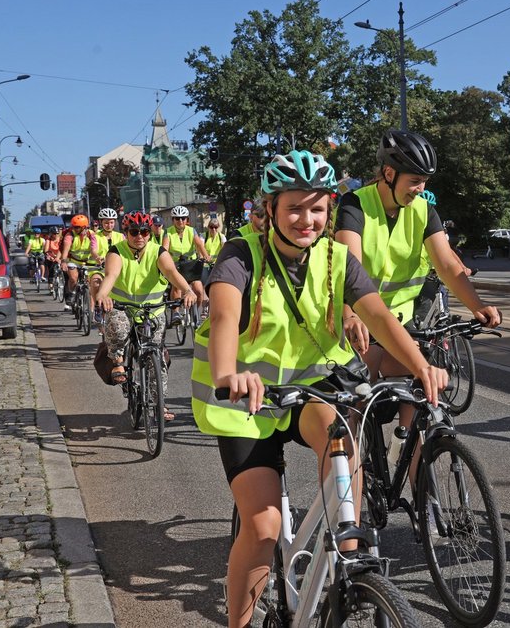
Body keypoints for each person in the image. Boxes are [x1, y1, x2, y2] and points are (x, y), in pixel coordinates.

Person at [190, 150, 448, 628]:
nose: (306, 219)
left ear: (330, 211)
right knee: (263, 527)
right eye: (294, 207)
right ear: (271, 209)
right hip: (246, 402)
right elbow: (224, 315)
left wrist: (420, 367)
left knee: (341, 443)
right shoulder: (241, 253)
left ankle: (346, 568)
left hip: (311, 391)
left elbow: (380, 317)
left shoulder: (336, 258)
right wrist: (229, 374)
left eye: (317, 208)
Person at [334, 129, 501, 489]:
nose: (419, 189)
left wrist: (478, 305)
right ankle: (351, 499)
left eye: (424, 182)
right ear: (389, 174)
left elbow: (447, 265)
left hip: (403, 325)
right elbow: (349, 271)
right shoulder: (355, 206)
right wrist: (349, 315)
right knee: (355, 406)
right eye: (414, 181)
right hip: (362, 324)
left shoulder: (424, 209)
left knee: (422, 396)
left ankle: (424, 500)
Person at [95, 211, 196, 420]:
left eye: (145, 232)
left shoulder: (157, 251)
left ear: (150, 233)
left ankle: (159, 405)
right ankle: (118, 361)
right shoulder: (116, 251)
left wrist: (187, 291)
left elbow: (171, 273)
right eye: (134, 232)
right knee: (119, 326)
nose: (140, 236)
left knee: (156, 358)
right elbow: (111, 275)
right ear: (126, 233)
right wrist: (103, 294)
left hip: (153, 310)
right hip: (124, 307)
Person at [162, 205, 211, 324]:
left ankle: (196, 314)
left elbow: (199, 245)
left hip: (191, 264)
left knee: (199, 290)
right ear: (173, 220)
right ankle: (176, 313)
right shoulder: (168, 232)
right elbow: (164, 249)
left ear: (186, 220)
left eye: (183, 218)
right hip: (176, 265)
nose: (180, 221)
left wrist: (206, 256)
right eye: (177, 218)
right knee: (176, 287)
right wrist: (163, 260)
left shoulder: (191, 230)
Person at [90, 208, 125, 326]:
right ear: (101, 223)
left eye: (111, 222)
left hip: (116, 268)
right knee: (95, 282)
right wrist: (98, 258)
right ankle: (97, 307)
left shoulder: (121, 236)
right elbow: (93, 250)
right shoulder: (95, 236)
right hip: (100, 267)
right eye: (106, 222)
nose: (109, 225)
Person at [60, 214, 101, 310]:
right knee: (73, 278)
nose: (74, 229)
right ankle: (72, 294)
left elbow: (94, 249)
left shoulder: (92, 235)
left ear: (84, 227)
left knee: (90, 284)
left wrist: (98, 259)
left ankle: (89, 308)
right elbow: (65, 251)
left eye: (77, 227)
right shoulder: (70, 235)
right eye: (73, 227)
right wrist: (64, 262)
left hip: (87, 262)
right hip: (73, 261)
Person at [202, 218, 226, 286]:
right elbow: (200, 246)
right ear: (208, 227)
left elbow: (224, 248)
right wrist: (205, 256)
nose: (213, 229)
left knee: (217, 283)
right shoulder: (204, 235)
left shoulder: (221, 236)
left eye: (215, 227)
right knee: (205, 282)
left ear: (218, 227)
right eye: (211, 227)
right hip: (206, 263)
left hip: (217, 263)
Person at [43, 227, 62, 292]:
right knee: (51, 272)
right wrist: (50, 257)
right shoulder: (48, 241)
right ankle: (50, 285)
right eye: (54, 234)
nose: (55, 235)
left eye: (57, 233)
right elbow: (46, 250)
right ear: (51, 234)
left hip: (59, 258)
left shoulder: (60, 240)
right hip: (51, 258)